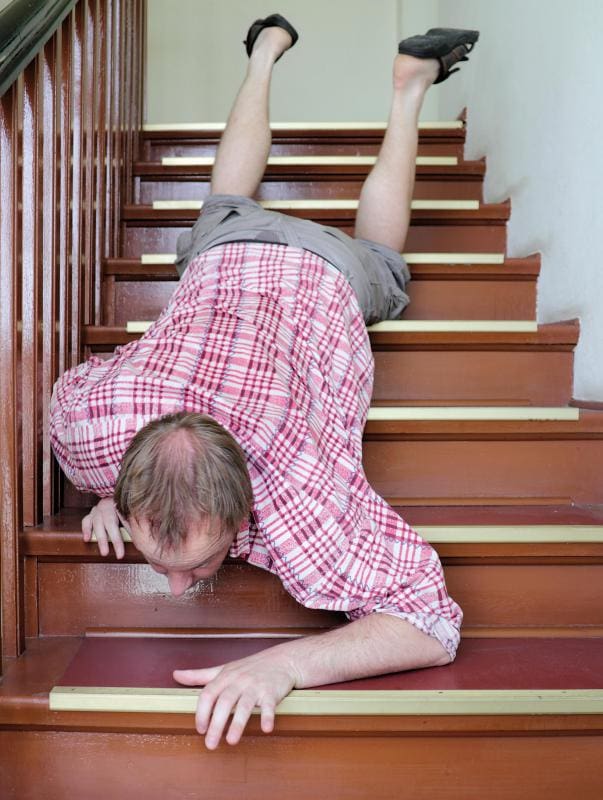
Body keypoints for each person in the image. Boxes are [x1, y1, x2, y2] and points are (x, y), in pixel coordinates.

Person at [50, 15, 479, 750]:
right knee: (255, 215)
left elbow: (431, 623)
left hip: (309, 268)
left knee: (358, 247)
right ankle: (399, 85)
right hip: (260, 262)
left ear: (248, 512)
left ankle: (271, 55)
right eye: (166, 563)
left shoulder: (296, 497)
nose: (176, 588)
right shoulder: (95, 434)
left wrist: (284, 665)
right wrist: (103, 493)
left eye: (198, 563)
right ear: (127, 469)